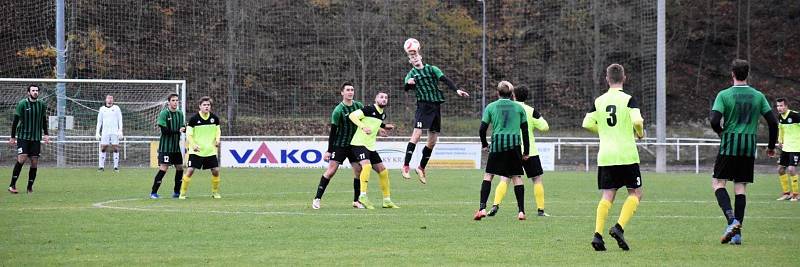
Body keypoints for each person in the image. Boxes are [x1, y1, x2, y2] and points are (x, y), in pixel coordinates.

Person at [710, 59, 778, 245]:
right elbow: (773, 122)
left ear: (732, 74)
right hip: (748, 146)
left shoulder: (724, 95)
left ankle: (732, 221)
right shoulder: (758, 96)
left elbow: (715, 120)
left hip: (730, 144)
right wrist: (771, 146)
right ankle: (737, 234)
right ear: (747, 74)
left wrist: (721, 133)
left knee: (718, 183)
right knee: (740, 187)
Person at [582, 64, 645, 251]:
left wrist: (601, 130)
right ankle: (618, 228)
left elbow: (586, 123)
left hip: (606, 156)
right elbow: (637, 120)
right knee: (636, 193)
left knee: (607, 195)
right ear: (624, 78)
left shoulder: (599, 100)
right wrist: (639, 133)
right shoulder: (629, 100)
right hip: (626, 155)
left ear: (607, 79)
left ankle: (598, 235)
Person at [400, 38, 470, 184]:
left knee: (432, 141)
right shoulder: (411, 75)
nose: (414, 58)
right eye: (411, 57)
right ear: (410, 61)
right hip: (423, 107)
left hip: (436, 107)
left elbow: (445, 80)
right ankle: (406, 166)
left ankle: (421, 167)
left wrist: (456, 90)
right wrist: (409, 84)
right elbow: (406, 88)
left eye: (416, 56)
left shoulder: (432, 69)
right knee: (417, 135)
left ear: (420, 56)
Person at [487, 86, 551, 217]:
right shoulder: (531, 110)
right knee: (537, 179)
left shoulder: (509, 108)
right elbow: (545, 127)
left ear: (513, 95)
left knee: (505, 178)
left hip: (511, 147)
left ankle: (495, 205)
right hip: (530, 150)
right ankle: (540, 210)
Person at [474, 81, 530, 221]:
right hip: (513, 145)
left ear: (497, 93)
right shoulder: (519, 108)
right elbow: (525, 131)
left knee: (488, 175)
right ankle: (521, 212)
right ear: (512, 94)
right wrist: (526, 151)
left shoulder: (491, 107)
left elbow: (482, 129)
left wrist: (485, 144)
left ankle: (482, 208)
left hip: (497, 144)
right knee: (516, 177)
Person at [312, 82, 367, 209]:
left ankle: (356, 201)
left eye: (352, 89)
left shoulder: (359, 106)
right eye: (347, 90)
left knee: (359, 170)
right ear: (342, 93)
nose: (350, 92)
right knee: (331, 171)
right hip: (339, 145)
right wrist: (329, 150)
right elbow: (333, 132)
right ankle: (317, 198)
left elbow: (367, 119)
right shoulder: (338, 110)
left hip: (354, 145)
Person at [348, 92, 398, 209]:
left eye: (386, 97)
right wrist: (362, 126)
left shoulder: (382, 115)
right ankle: (362, 196)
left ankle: (387, 200)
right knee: (367, 166)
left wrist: (384, 128)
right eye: (381, 97)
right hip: (358, 144)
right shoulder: (368, 109)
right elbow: (352, 116)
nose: (384, 99)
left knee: (383, 171)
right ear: (376, 99)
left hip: (370, 146)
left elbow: (375, 122)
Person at [8, 85, 49, 194]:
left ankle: (29, 187)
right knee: (22, 158)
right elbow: (15, 121)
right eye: (33, 90)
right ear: (28, 92)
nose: (35, 92)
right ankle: (12, 185)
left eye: (36, 90)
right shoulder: (22, 104)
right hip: (23, 136)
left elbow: (44, 120)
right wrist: (12, 136)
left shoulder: (42, 105)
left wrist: (46, 134)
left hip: (36, 138)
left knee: (34, 162)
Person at [179, 96, 222, 199]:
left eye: (208, 105)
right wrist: (193, 145)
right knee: (190, 171)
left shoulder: (214, 118)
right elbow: (189, 134)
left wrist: (217, 140)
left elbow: (218, 131)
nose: (206, 107)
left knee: (216, 170)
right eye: (204, 105)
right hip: (196, 151)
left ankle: (215, 192)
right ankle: (182, 193)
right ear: (200, 106)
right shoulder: (193, 119)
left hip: (210, 151)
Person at [149, 93, 186, 199]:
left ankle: (176, 192)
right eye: (173, 100)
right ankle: (153, 193)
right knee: (164, 168)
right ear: (169, 102)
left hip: (175, 148)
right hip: (165, 148)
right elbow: (164, 131)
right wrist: (178, 130)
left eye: (177, 100)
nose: (175, 102)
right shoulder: (164, 113)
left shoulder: (180, 114)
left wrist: (185, 129)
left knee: (180, 167)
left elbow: (182, 127)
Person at [775, 98, 800, 201]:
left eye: (781, 106)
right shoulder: (780, 117)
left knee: (791, 169)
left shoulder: (795, 115)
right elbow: (781, 129)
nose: (779, 108)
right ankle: (786, 193)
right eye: (778, 106)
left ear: (786, 106)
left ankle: (796, 194)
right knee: (780, 169)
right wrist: (780, 140)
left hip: (796, 147)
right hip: (786, 147)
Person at [95, 95, 123, 172]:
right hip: (105, 132)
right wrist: (97, 132)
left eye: (111, 98)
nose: (110, 100)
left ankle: (116, 167)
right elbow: (99, 121)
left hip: (115, 132)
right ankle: (101, 167)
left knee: (115, 148)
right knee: (103, 148)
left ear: (113, 100)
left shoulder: (116, 108)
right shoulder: (102, 109)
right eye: (108, 98)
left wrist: (120, 130)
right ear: (106, 100)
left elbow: (120, 120)